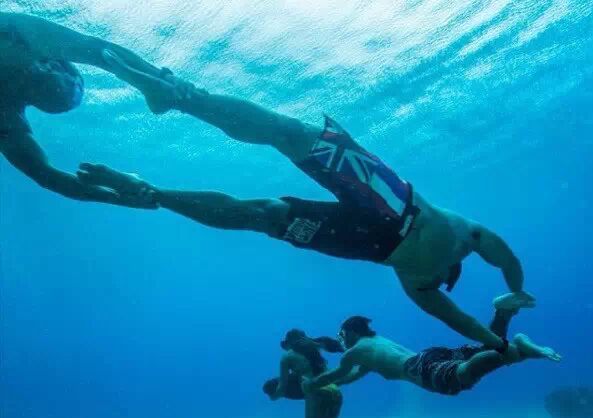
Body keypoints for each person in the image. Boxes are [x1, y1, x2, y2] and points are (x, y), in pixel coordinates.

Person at [76, 48, 535, 349]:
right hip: (387, 213)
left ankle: (160, 164)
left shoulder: (432, 273)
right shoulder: (450, 251)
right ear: (454, 272)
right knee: (283, 153)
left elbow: (478, 301)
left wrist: (507, 313)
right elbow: (501, 266)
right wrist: (510, 303)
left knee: (272, 193)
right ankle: (175, 115)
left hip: (380, 221)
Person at [0, 11, 178, 207]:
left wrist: (118, 197)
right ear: (54, 64)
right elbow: (100, 50)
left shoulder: (6, 114)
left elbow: (46, 176)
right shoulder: (22, 36)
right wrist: (161, 80)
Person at [304, 299, 561, 397]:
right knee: (483, 349)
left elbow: (337, 373)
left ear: (351, 332)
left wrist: (312, 385)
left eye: (341, 335)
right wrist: (333, 385)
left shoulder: (355, 351)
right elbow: (350, 377)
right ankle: (503, 313)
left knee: (463, 376)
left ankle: (514, 348)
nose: (341, 340)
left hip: (418, 368)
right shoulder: (373, 345)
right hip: (427, 356)